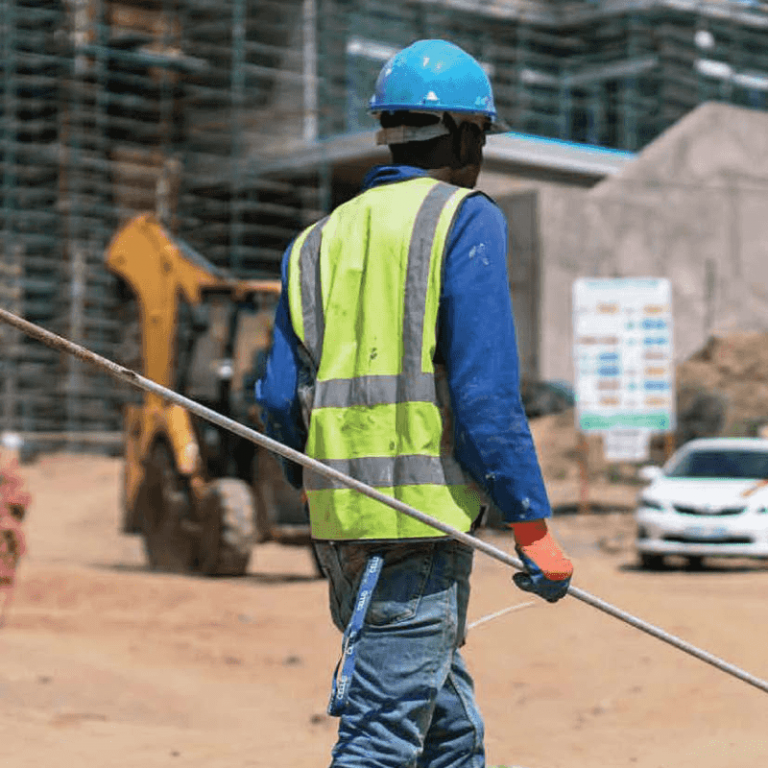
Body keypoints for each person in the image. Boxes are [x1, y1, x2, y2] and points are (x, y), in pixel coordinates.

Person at [256, 38, 574, 768]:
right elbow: (485, 394)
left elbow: (278, 400)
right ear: (466, 134)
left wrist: (322, 488)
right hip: (420, 532)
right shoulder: (465, 219)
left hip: (342, 533)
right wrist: (531, 530)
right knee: (382, 742)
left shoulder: (313, 242)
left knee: (449, 739)